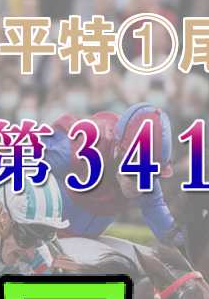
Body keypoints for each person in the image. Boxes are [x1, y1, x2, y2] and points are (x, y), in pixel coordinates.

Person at [43, 103, 184, 251]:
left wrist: (184, 245)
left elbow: (156, 210)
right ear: (118, 151)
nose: (141, 187)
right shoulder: (80, 147)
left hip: (82, 240)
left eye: (151, 175)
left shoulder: (144, 171)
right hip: (43, 235)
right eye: (135, 173)